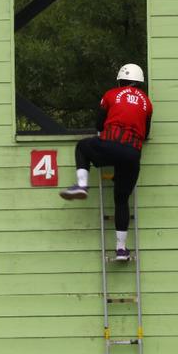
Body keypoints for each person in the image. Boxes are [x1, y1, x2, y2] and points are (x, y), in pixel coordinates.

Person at [59, 63, 153, 262]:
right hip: (132, 154)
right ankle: (121, 249)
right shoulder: (147, 103)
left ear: (120, 81)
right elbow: (146, 133)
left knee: (82, 147)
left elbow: (99, 124)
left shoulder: (111, 94)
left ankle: (82, 185)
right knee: (121, 200)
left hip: (111, 145)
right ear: (140, 83)